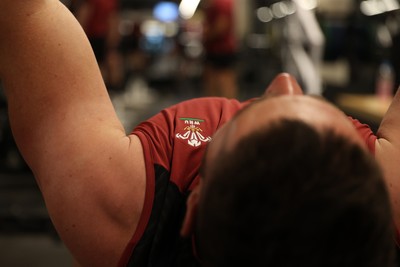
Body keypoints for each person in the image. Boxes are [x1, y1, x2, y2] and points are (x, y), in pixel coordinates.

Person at [0, 1, 399, 266]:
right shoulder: (392, 193)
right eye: (313, 107)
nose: (284, 81)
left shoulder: (119, 204)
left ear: (194, 205)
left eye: (260, 107)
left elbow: (26, 12)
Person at [202, 0, 238, 98]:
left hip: (221, 49)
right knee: (212, 82)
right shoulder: (215, 3)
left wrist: (206, 36)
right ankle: (215, 110)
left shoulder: (221, 3)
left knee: (224, 82)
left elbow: (222, 25)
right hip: (215, 49)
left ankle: (227, 111)